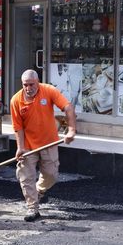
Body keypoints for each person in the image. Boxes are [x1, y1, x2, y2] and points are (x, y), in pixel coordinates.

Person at [10, 69, 76, 222]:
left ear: (37, 82)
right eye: (25, 85)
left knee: (51, 175)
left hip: (49, 142)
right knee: (26, 177)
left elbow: (68, 107)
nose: (28, 88)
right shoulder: (16, 100)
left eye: (31, 84)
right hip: (28, 145)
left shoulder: (48, 91)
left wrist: (71, 129)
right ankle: (32, 208)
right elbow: (18, 127)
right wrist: (20, 148)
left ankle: (39, 190)